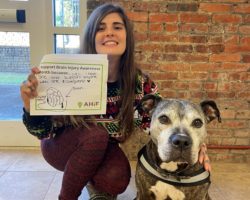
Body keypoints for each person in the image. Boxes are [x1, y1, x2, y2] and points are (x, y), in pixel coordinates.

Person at [20, 3, 211, 200]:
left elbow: (159, 121)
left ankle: (91, 182)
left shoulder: (140, 83)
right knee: (97, 136)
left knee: (118, 177)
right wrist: (29, 105)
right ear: (90, 36)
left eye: (117, 27)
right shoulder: (69, 71)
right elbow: (43, 132)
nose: (109, 33)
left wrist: (195, 143)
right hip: (61, 146)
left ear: (126, 36)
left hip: (103, 147)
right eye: (101, 28)